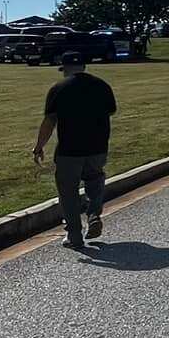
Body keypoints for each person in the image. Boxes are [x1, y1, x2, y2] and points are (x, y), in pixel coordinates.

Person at [33, 51, 118, 250]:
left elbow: (50, 121)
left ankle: (74, 234)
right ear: (83, 66)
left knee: (68, 191)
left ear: (66, 69)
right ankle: (94, 213)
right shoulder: (102, 86)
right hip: (98, 147)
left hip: (69, 150)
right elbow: (111, 111)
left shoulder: (59, 88)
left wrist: (39, 146)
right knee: (95, 181)